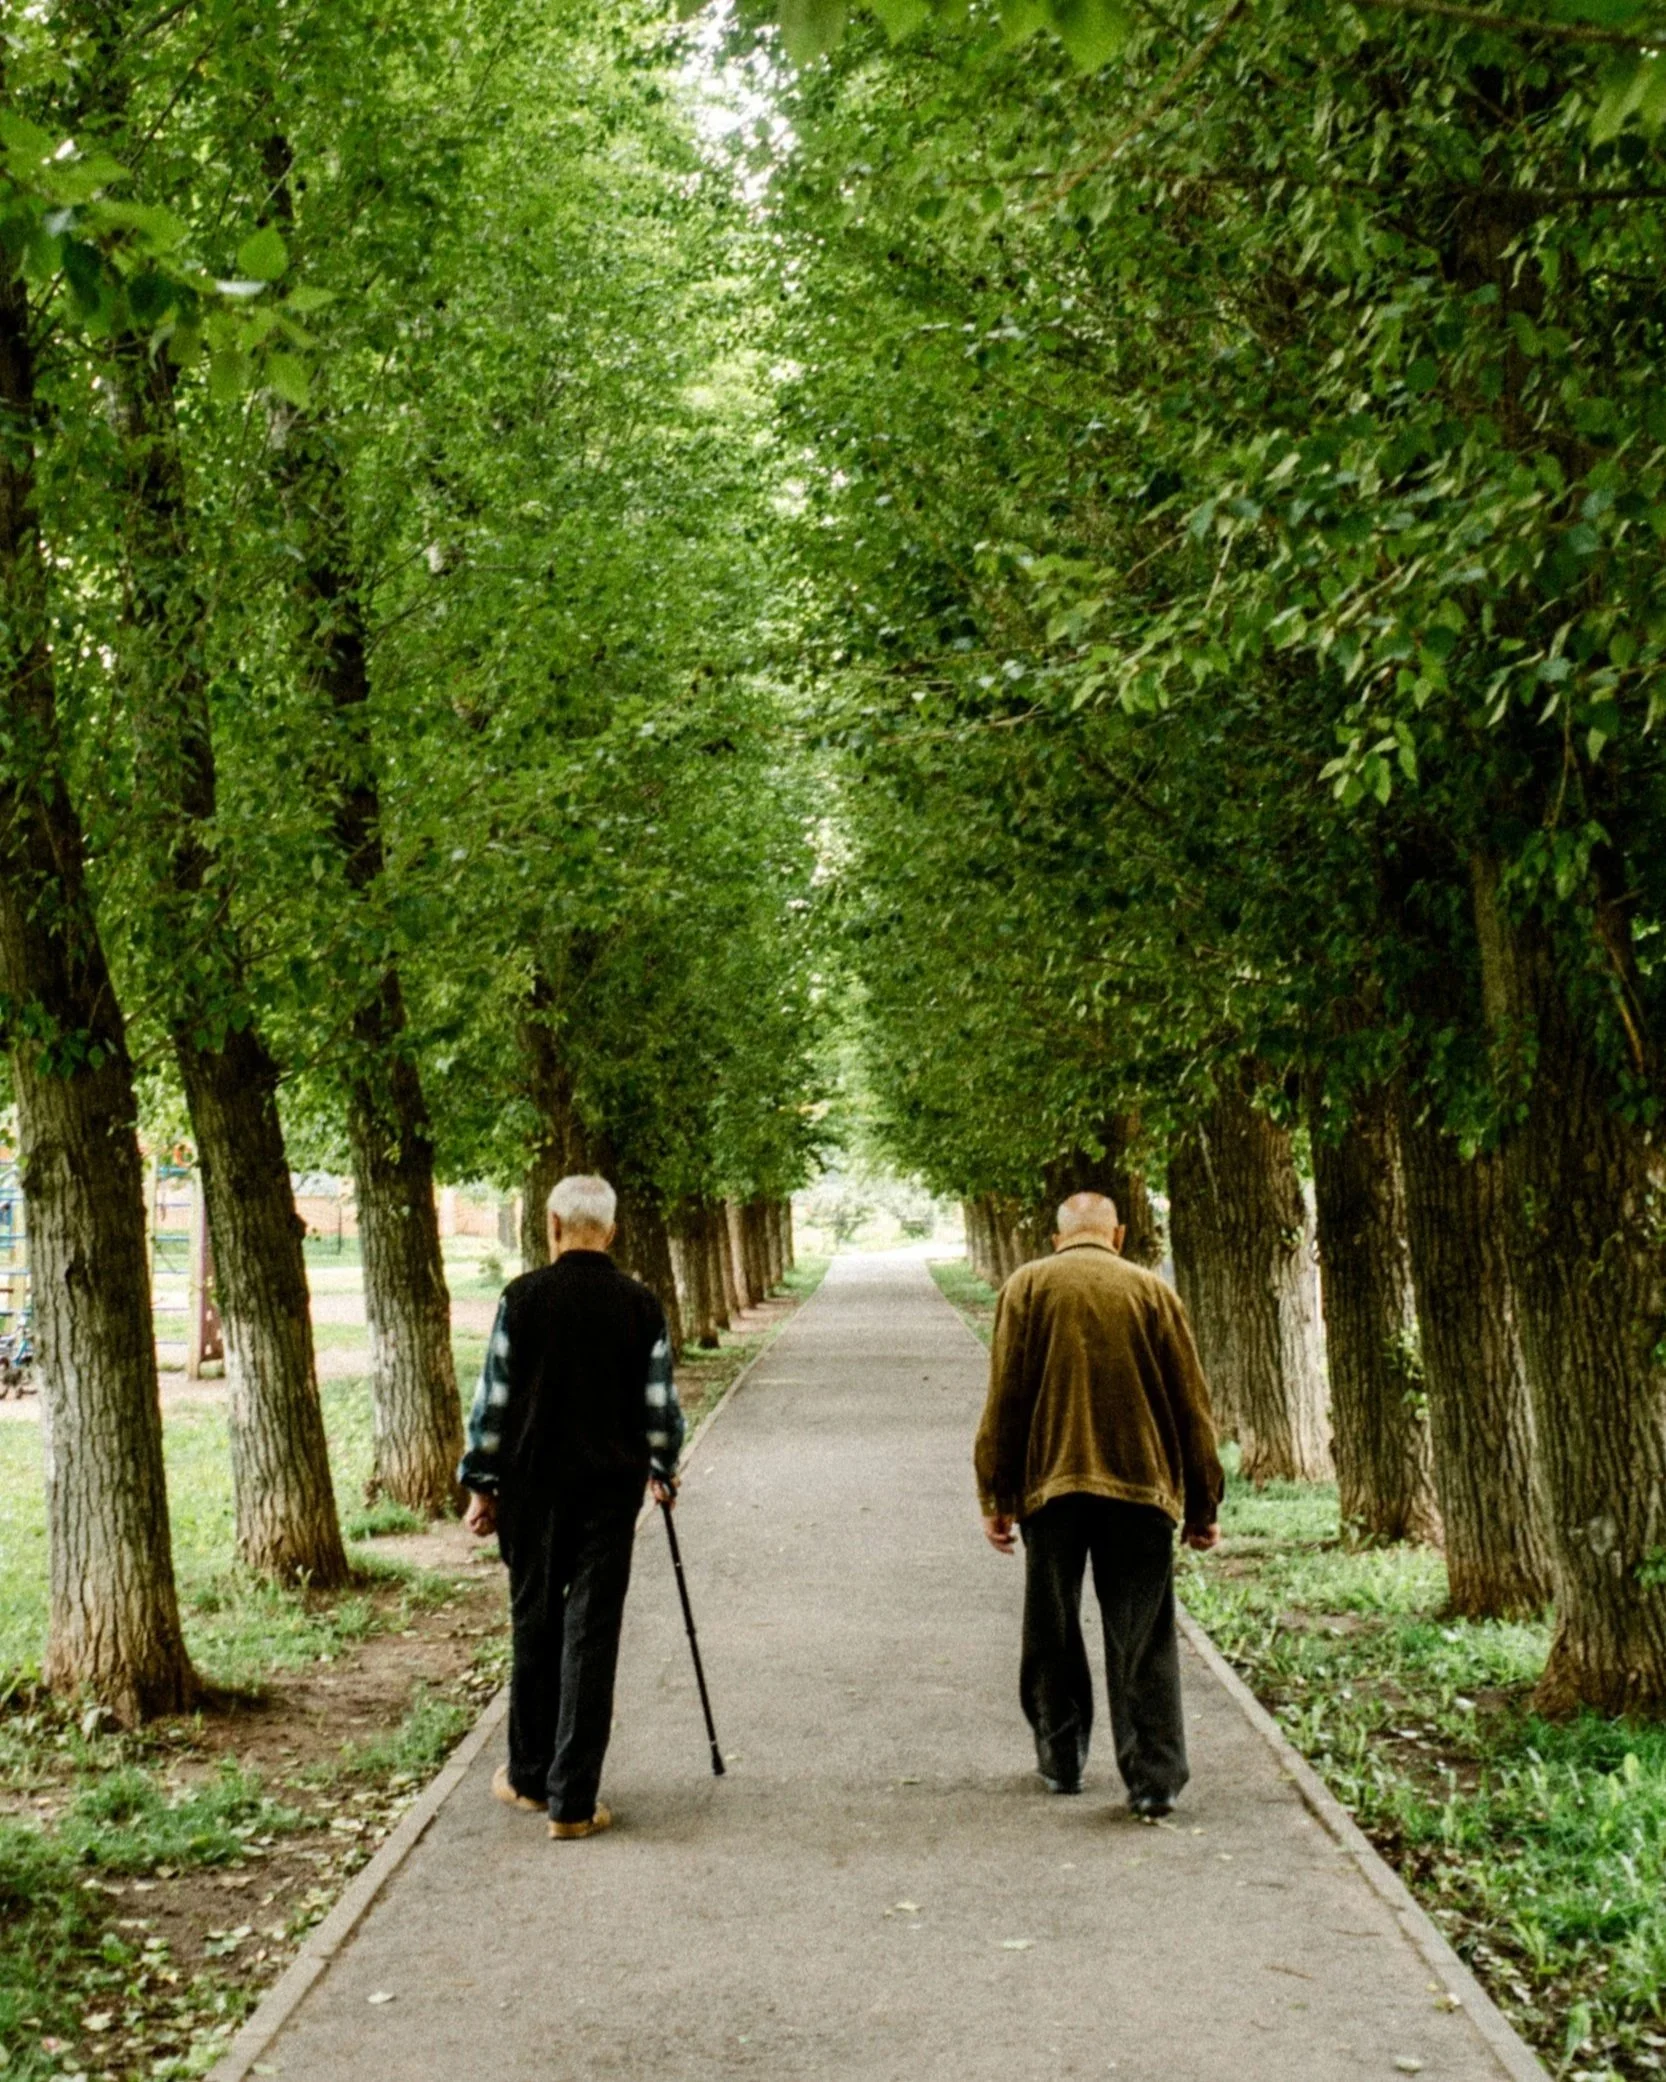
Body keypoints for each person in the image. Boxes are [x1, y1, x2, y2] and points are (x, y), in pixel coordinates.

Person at [974, 1191, 1224, 1819]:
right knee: (1143, 1636)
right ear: (1118, 1235)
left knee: (1052, 1629)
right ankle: (1153, 1781)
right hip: (1141, 1491)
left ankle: (1061, 1762)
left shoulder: (1026, 1288)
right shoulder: (1152, 1292)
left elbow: (1004, 1398)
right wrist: (1203, 1504)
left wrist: (995, 1494)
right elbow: (1191, 1404)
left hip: (1051, 1491)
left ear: (1058, 1238)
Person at [459, 1173, 684, 1840]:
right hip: (609, 1492)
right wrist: (664, 1469)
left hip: (531, 1489)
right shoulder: (640, 1305)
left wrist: (481, 1484)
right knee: (591, 1633)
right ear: (609, 1232)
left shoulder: (521, 1299)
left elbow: (493, 1402)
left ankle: (527, 1778)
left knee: (533, 1621)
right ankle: (574, 1802)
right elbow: (660, 1404)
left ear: (551, 1225)